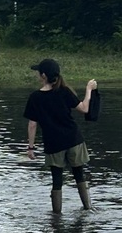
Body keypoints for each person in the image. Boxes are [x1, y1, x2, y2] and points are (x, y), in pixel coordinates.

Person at [24, 58, 97, 213]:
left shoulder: (35, 97)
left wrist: (31, 148)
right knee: (79, 175)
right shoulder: (64, 91)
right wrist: (89, 89)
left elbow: (32, 124)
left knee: (57, 180)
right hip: (73, 139)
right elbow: (84, 108)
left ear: (43, 75)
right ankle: (88, 208)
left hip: (53, 144)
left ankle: (56, 216)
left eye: (38, 72)